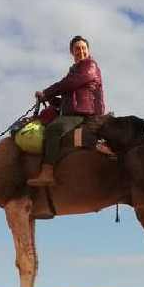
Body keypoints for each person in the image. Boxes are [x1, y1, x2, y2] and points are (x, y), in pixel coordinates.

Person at [28, 35, 106, 187]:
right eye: (77, 49)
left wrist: (47, 92)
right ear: (72, 52)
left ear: (88, 50)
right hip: (75, 111)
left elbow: (70, 84)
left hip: (85, 113)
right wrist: (49, 99)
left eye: (83, 48)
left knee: (53, 130)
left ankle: (47, 173)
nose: (81, 51)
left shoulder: (89, 66)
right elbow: (69, 96)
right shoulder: (74, 70)